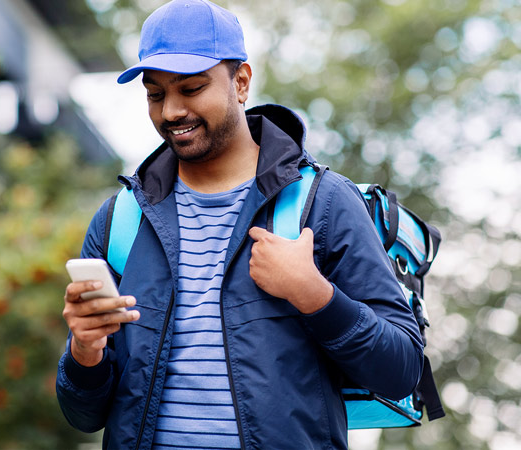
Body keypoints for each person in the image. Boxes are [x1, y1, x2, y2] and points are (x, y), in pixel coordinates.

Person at [56, 0, 423, 448]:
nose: (171, 111)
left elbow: (402, 369)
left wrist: (314, 295)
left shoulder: (322, 204)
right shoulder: (120, 220)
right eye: (155, 94)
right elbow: (83, 415)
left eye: (190, 89)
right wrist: (85, 352)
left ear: (241, 82)